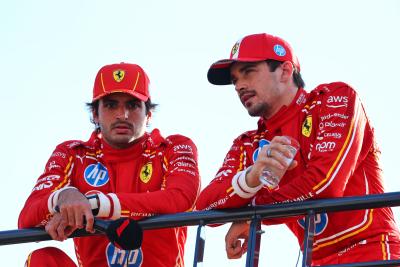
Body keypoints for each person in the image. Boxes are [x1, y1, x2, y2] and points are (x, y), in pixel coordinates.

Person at [195, 33, 400, 265]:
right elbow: (206, 207)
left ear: (284, 71)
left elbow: (325, 184)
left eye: (249, 72)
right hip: (314, 261)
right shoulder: (248, 143)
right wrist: (250, 179)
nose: (240, 86)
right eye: (234, 80)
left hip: (372, 253)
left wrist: (251, 214)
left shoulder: (335, 99)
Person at [19, 62, 201, 267]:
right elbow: (26, 219)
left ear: (148, 114)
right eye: (111, 104)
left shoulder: (173, 146)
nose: (122, 114)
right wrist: (62, 198)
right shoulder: (71, 153)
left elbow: (181, 198)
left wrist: (93, 205)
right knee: (41, 259)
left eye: (132, 105)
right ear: (95, 114)